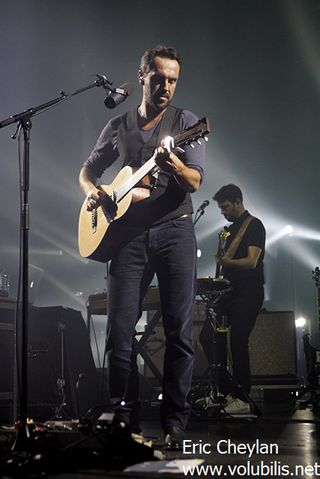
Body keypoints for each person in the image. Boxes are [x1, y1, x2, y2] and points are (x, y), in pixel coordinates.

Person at [79, 45, 206, 447]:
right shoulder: (117, 125)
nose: (166, 86)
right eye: (159, 78)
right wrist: (94, 192)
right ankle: (122, 419)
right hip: (126, 237)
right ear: (141, 77)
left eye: (173, 80)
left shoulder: (185, 123)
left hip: (174, 232)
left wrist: (177, 166)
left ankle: (174, 424)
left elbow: (196, 182)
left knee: (178, 332)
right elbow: (88, 170)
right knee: (119, 332)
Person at [212, 184, 265, 414]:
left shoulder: (254, 225)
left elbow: (252, 261)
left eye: (225, 207)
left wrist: (227, 263)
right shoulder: (229, 230)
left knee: (238, 342)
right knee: (210, 337)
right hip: (229, 293)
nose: (223, 212)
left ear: (237, 201)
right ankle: (223, 392)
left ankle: (243, 398)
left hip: (248, 293)